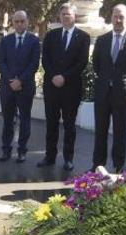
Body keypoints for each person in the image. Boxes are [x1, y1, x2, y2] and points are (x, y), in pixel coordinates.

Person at [91, 4, 126, 172]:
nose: (118, 20)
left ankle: (118, 167)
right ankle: (97, 165)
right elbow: (97, 65)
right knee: (100, 130)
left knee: (120, 132)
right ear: (111, 17)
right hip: (103, 92)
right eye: (115, 16)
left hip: (122, 94)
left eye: (121, 17)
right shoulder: (103, 39)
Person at [38, 3, 90, 171]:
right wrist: (54, 76)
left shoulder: (83, 37)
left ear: (74, 16)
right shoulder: (51, 35)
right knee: (51, 123)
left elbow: (82, 62)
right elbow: (45, 58)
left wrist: (64, 77)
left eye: (69, 14)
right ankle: (49, 156)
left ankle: (68, 158)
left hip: (71, 88)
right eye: (63, 14)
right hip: (51, 86)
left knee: (69, 125)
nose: (66, 16)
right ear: (59, 16)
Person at [0, 11, 39, 163]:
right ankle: (6, 149)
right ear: (12, 23)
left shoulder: (34, 41)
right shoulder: (6, 40)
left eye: (22, 21)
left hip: (25, 87)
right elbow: (1, 62)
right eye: (16, 21)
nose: (19, 24)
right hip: (7, 87)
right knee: (8, 120)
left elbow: (34, 64)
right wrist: (11, 80)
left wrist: (20, 81)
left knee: (25, 119)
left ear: (27, 21)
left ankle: (22, 150)